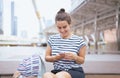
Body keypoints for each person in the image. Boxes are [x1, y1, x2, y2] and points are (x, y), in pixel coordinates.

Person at [43, 8, 86, 78]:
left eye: (64, 27)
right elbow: (47, 58)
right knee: (47, 75)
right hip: (57, 70)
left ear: (70, 24)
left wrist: (74, 57)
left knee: (60, 76)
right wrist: (56, 57)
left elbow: (82, 60)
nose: (62, 30)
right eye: (59, 28)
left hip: (74, 71)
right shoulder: (52, 39)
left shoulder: (79, 41)